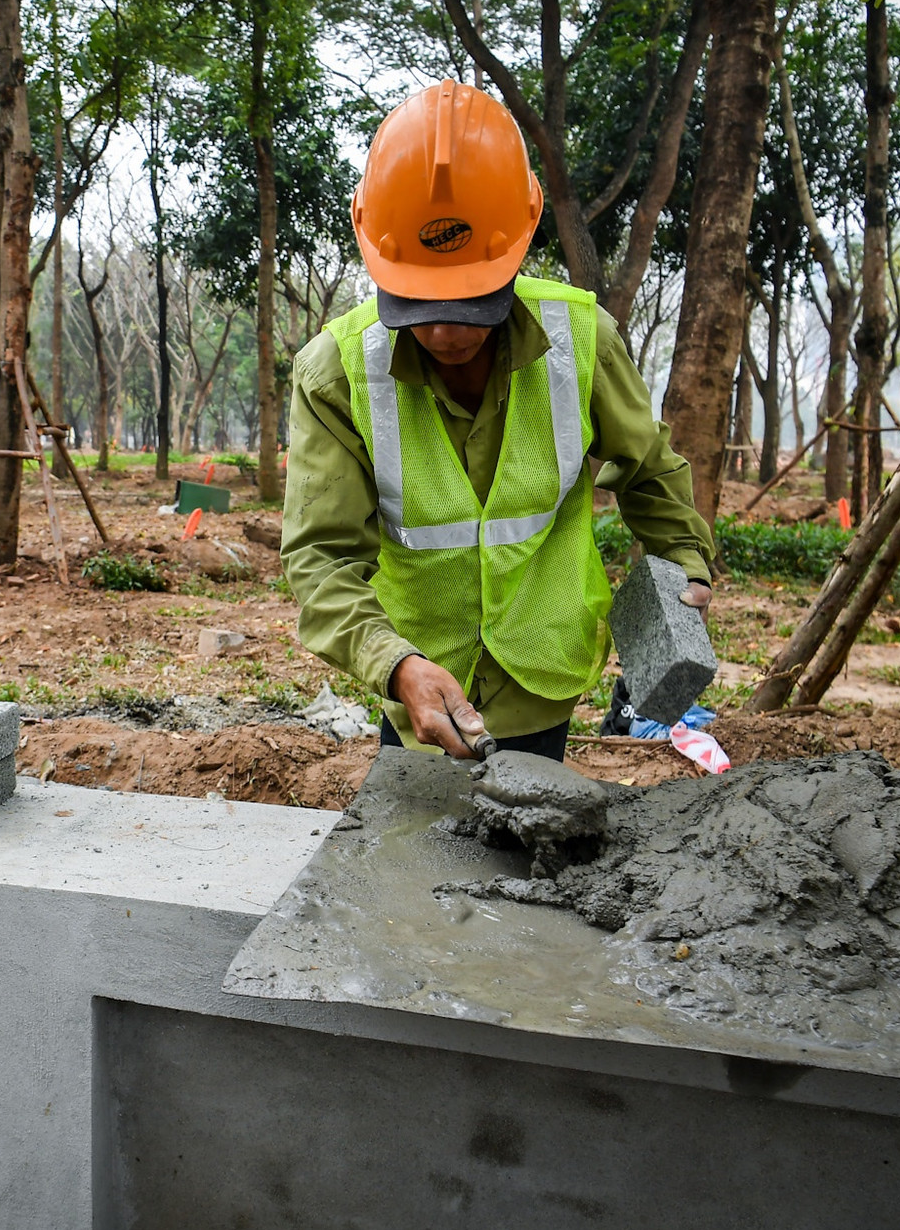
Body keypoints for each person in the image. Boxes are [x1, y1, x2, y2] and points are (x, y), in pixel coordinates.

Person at [282, 80, 715, 762]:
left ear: (518, 246)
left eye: (474, 301)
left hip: (543, 671)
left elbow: (651, 472)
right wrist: (395, 665)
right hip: (418, 675)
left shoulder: (584, 340)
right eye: (422, 305)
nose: (450, 330)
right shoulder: (334, 374)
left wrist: (683, 564)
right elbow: (321, 556)